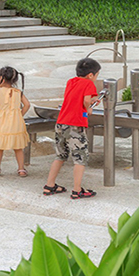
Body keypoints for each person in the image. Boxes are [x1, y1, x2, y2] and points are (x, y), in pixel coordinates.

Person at [43, 58, 101, 200]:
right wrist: (88, 109)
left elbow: (75, 99)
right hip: (76, 125)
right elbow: (86, 100)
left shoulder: (71, 82)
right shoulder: (89, 83)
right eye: (97, 75)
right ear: (91, 75)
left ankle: (49, 185)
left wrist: (88, 103)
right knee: (80, 158)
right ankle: (77, 190)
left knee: (60, 155)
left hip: (61, 123)